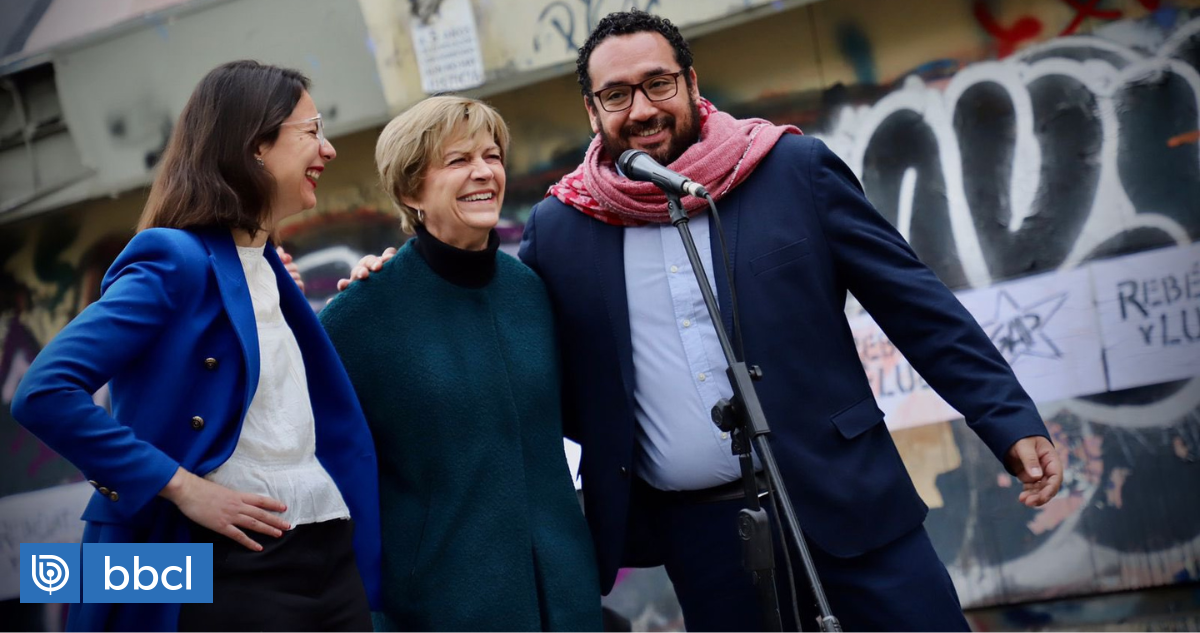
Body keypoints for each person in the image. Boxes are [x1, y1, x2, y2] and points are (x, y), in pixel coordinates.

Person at [343, 11, 1064, 632]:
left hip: (849, 504)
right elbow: (501, 326)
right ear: (592, 112)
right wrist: (394, 275)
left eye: (658, 83)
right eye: (616, 95)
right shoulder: (561, 229)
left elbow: (916, 303)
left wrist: (1006, 416)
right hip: (704, 541)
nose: (641, 108)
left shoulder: (792, 170)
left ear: (691, 82)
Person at [12, 60, 381, 632]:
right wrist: (184, 489)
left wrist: (381, 290)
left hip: (329, 556)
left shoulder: (267, 269)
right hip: (231, 567)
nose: (328, 149)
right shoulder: (173, 258)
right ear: (255, 146)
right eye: (312, 131)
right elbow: (42, 391)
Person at [318, 95, 602, 632]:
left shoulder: (530, 292)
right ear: (411, 192)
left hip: (568, 603)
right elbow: (332, 481)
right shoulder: (358, 318)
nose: (484, 172)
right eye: (458, 160)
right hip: (442, 612)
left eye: (491, 156)